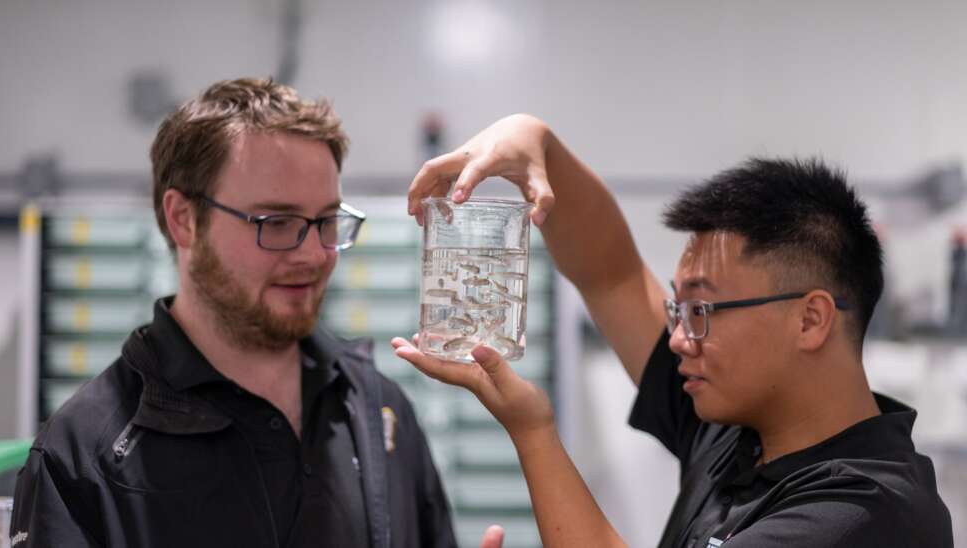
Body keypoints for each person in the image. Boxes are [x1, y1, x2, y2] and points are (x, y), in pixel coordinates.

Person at [394, 114, 954, 547]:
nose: (681, 338)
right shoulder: (736, 432)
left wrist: (533, 431)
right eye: (677, 310)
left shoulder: (865, 513)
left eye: (702, 311)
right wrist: (537, 143)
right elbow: (610, 275)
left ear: (810, 319)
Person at [10, 78, 458, 548]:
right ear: (184, 219)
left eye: (326, 221)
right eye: (276, 222)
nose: (313, 254)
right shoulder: (82, 457)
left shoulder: (378, 413)